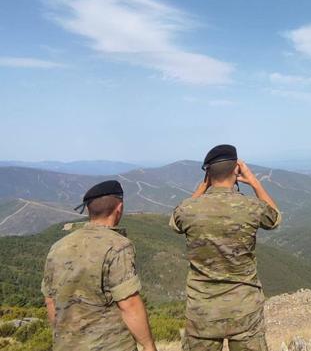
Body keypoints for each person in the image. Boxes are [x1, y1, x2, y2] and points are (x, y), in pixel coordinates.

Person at [170, 144, 282, 351]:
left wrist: (203, 187)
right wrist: (254, 182)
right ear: (236, 170)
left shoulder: (187, 210)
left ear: (208, 174)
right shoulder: (251, 207)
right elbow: (274, 218)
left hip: (202, 313)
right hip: (244, 310)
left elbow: (175, 222)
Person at [41, 180, 157, 351]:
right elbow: (129, 304)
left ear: (88, 209)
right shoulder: (118, 246)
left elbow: (50, 300)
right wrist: (148, 346)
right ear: (120, 208)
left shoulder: (58, 246)